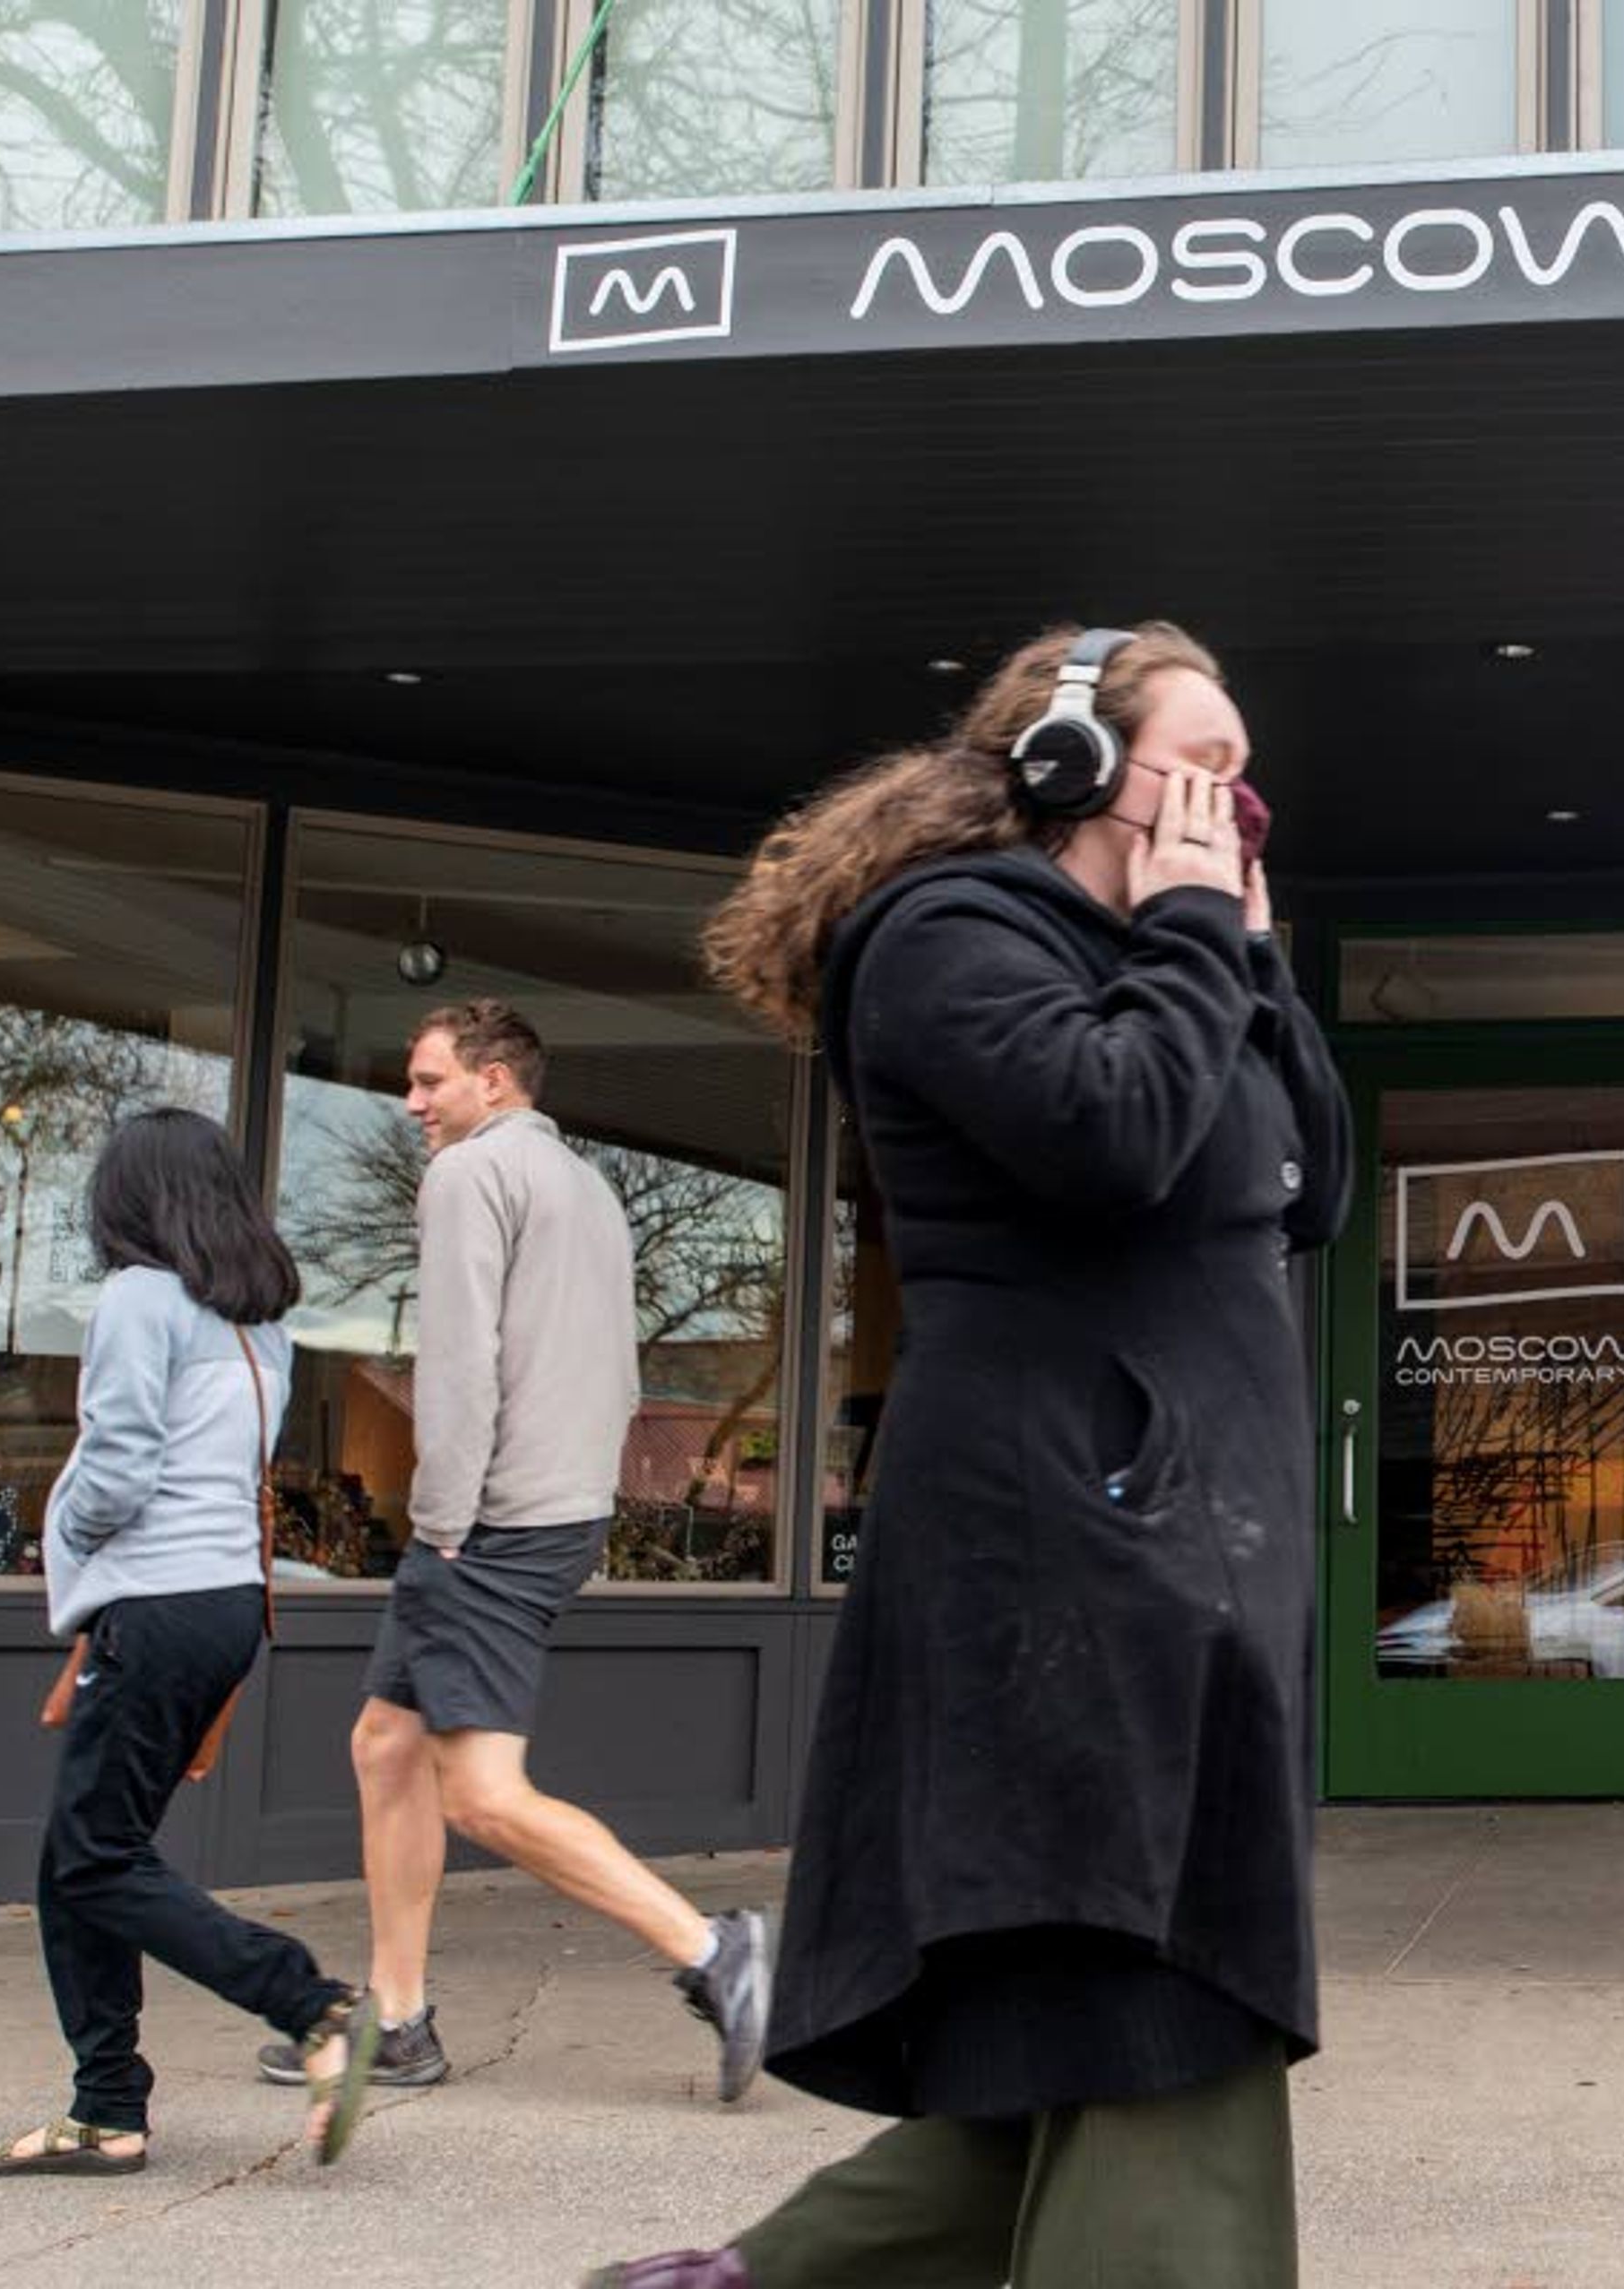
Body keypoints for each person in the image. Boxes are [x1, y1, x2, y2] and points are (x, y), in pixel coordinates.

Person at [583, 622, 1349, 2289]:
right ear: (1071, 763)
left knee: (1077, 2047)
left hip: (1192, 1549)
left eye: (1247, 789)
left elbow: (1309, 1189)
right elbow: (1108, 1131)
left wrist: (1254, 960)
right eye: (1197, 770)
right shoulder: (947, 938)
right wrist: (1201, 935)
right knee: (1155, 1994)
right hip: (1071, 1548)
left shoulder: (1176, 951)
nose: (1229, 813)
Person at [259, 999, 767, 2103]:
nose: (411, 1103)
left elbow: (458, 1364)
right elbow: (625, 1377)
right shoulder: (587, 1188)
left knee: (482, 1793)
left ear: (496, 1082)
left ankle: (713, 1952)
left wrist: (439, 1524)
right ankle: (399, 2018)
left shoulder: (468, 1176)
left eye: (430, 1080)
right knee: (385, 1745)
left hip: (488, 1521)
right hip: (555, 1505)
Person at [0, 1109, 382, 2176]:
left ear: (132, 1197)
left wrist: (62, 1532)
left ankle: (315, 2004)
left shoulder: (139, 1298)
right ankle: (106, 2107)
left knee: (94, 1857)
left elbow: (116, 1462)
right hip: (222, 1608)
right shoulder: (261, 1325)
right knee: (84, 1861)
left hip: (156, 1603)